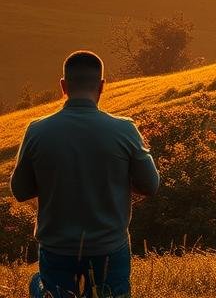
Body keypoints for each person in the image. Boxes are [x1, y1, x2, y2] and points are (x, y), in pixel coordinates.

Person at [9, 51, 160, 298]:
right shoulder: (125, 130)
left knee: (47, 289)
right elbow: (151, 185)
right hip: (110, 248)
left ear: (63, 86)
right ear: (102, 86)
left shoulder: (37, 131)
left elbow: (20, 190)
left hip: (56, 248)